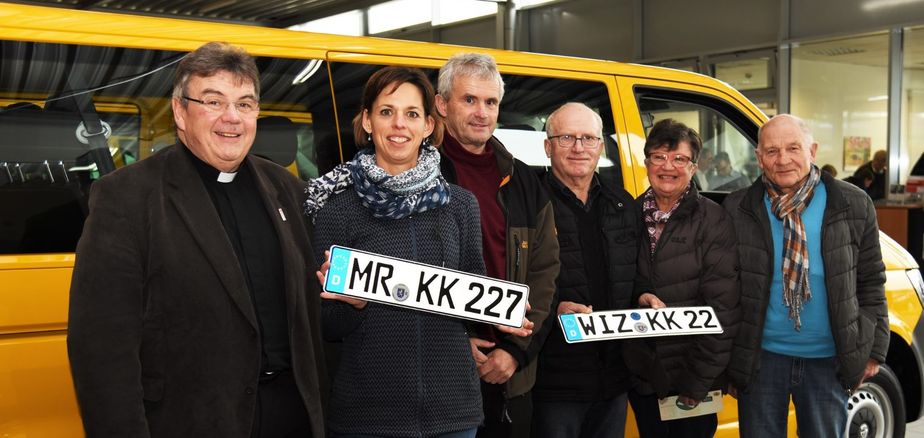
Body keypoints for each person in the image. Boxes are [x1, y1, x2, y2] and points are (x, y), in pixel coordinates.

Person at [67, 42, 326, 437]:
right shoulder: (128, 196)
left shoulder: (285, 188)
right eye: (213, 101)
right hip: (191, 421)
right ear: (179, 111)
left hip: (289, 416)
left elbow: (307, 314)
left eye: (245, 104)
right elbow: (101, 351)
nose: (232, 118)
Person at [305, 66, 529, 438]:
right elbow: (324, 325)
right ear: (367, 121)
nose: (399, 125)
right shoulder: (336, 209)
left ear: (428, 125)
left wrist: (498, 313)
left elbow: (473, 289)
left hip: (454, 413)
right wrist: (350, 304)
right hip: (368, 416)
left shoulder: (460, 205)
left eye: (411, 114)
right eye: (386, 111)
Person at [723, 114, 888, 438]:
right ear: (759, 158)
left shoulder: (853, 204)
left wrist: (874, 350)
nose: (782, 160)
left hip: (828, 360)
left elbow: (871, 279)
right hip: (761, 361)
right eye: (772, 151)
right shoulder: (738, 207)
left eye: (793, 148)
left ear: (812, 150)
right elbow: (726, 287)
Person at [435, 52, 560, 438]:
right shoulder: (421, 175)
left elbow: (544, 272)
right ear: (441, 105)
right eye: (468, 100)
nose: (481, 112)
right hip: (440, 375)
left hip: (510, 374)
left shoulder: (522, 180)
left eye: (490, 102)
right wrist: (456, 342)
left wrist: (514, 352)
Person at [530, 103, 641, 438]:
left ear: (601, 147)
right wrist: (554, 309)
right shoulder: (528, 203)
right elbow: (514, 277)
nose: (578, 148)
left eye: (588, 138)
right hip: (555, 378)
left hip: (614, 376)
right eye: (566, 138)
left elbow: (637, 273)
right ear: (548, 146)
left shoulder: (622, 204)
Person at [625, 118, 740, 438]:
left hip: (692, 379)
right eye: (659, 157)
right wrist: (640, 295)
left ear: (694, 166)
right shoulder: (627, 215)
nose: (668, 167)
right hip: (643, 376)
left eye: (679, 159)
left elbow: (724, 308)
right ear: (646, 162)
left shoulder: (714, 220)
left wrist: (698, 381)